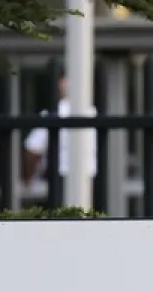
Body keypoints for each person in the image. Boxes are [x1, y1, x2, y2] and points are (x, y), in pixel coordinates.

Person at [21, 73, 97, 204]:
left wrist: (29, 179)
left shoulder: (53, 113)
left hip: (59, 177)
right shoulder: (93, 113)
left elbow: (32, 150)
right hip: (90, 176)